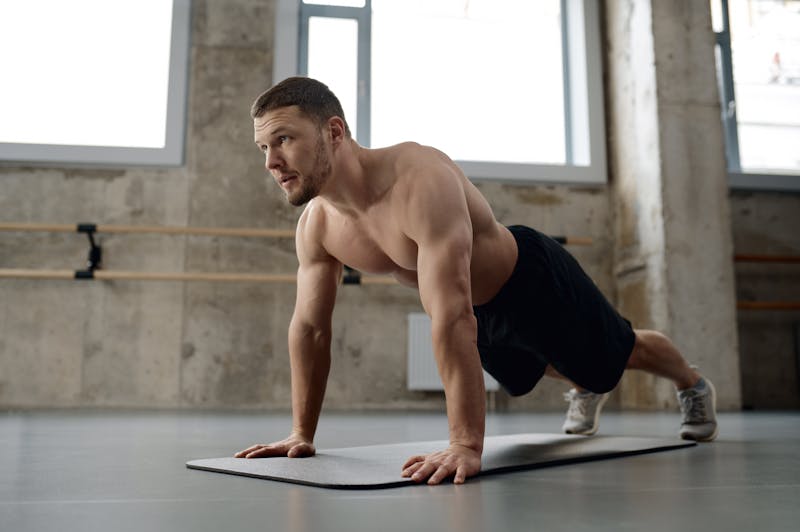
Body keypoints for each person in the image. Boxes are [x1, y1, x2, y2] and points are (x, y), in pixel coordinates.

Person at [234, 77, 718, 485]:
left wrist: (465, 444)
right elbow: (311, 330)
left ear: (333, 131)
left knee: (619, 353)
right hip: (483, 316)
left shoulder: (417, 178)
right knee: (547, 368)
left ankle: (692, 385)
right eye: (263, 147)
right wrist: (302, 432)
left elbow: (450, 314)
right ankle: (584, 386)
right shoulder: (318, 227)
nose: (270, 162)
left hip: (531, 281)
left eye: (283, 140)